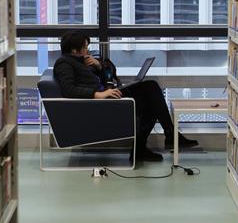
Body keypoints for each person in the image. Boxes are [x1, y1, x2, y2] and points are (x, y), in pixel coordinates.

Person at [52, 31, 199, 163]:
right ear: (74, 50)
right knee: (151, 93)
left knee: (151, 90)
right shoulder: (63, 63)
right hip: (101, 104)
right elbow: (68, 90)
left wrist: (99, 66)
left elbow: (100, 77)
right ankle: (165, 138)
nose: (87, 50)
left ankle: (158, 141)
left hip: (107, 97)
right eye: (84, 47)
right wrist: (99, 94)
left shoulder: (80, 62)